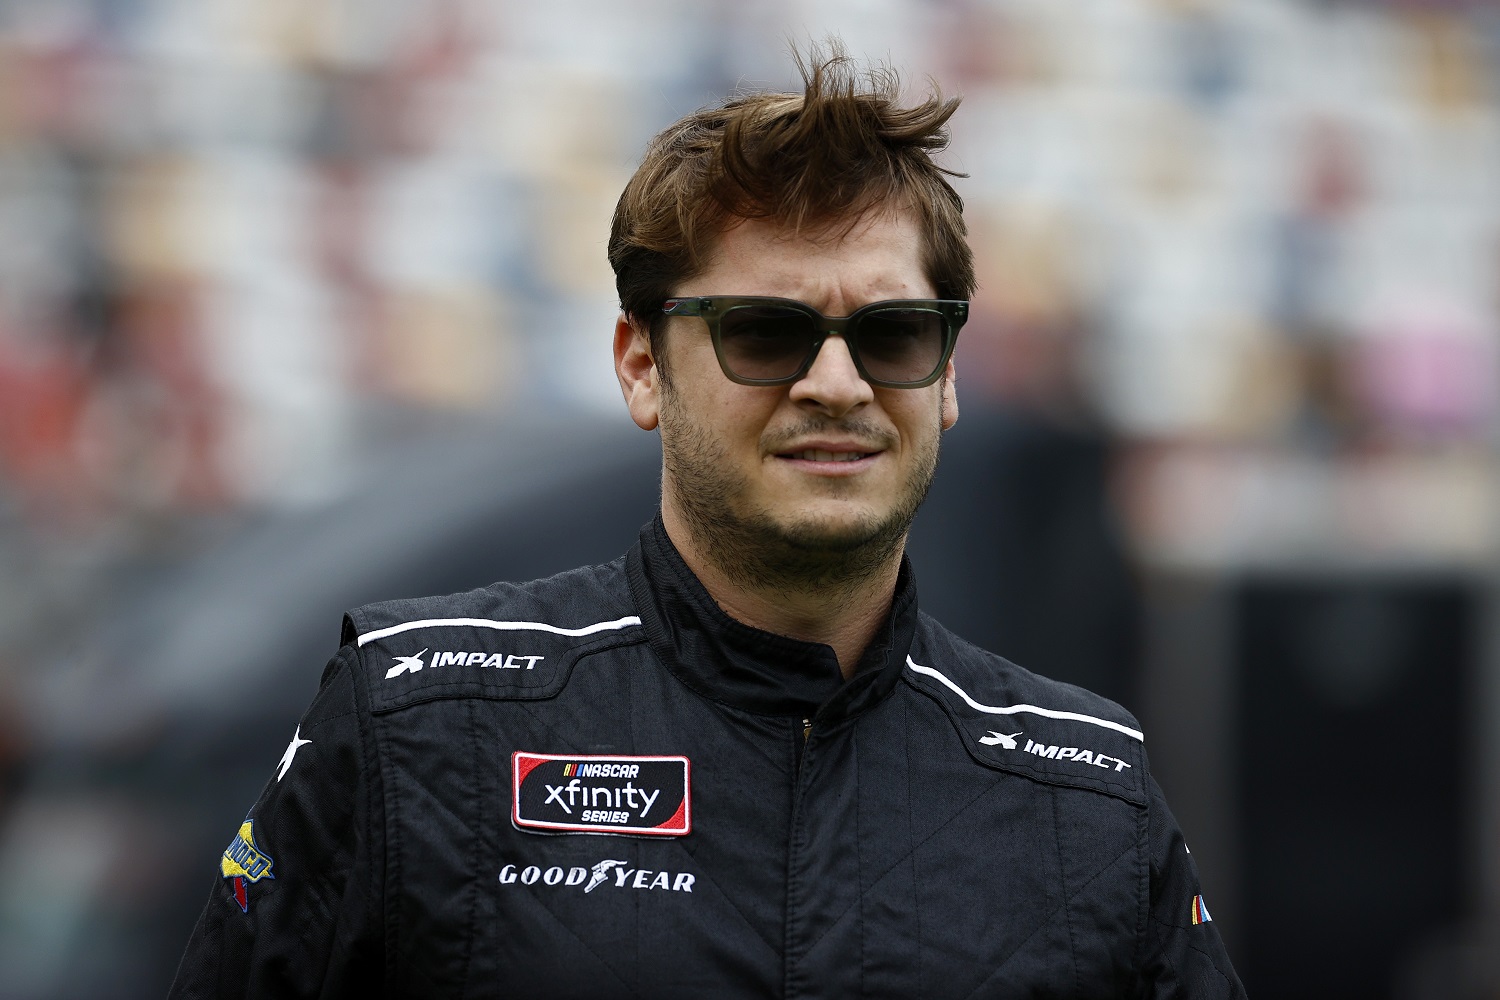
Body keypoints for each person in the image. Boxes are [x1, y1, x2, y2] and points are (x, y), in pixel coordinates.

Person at [170, 46, 1246, 998]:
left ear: (949, 375)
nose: (838, 382)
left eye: (896, 334)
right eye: (766, 333)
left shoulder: (1086, 794)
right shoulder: (419, 721)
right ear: (643, 366)